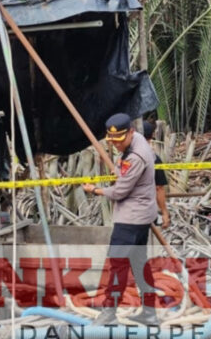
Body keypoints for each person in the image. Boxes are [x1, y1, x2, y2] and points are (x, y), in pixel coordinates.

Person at [82, 113, 159, 326]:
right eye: (112, 141)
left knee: (118, 266)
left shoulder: (136, 156)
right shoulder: (138, 141)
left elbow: (119, 192)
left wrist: (95, 190)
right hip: (141, 216)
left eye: (119, 140)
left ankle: (109, 313)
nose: (116, 145)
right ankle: (150, 313)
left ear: (131, 132)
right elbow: (124, 170)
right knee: (139, 264)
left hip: (130, 219)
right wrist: (119, 167)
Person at [143, 121, 170, 230]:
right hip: (146, 211)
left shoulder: (125, 158)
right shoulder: (154, 159)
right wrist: (164, 212)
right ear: (152, 136)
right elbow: (158, 188)